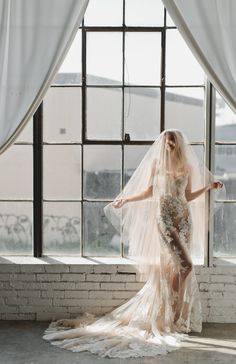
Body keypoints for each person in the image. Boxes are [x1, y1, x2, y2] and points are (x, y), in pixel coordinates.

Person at [42, 129, 224, 358]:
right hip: (165, 219)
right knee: (186, 265)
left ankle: (170, 314)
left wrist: (207, 188)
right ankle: (172, 314)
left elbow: (186, 196)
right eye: (166, 143)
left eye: (172, 143)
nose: (169, 147)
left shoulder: (185, 166)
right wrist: (127, 198)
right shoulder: (157, 164)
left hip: (184, 220)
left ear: (178, 145)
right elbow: (149, 191)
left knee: (177, 269)